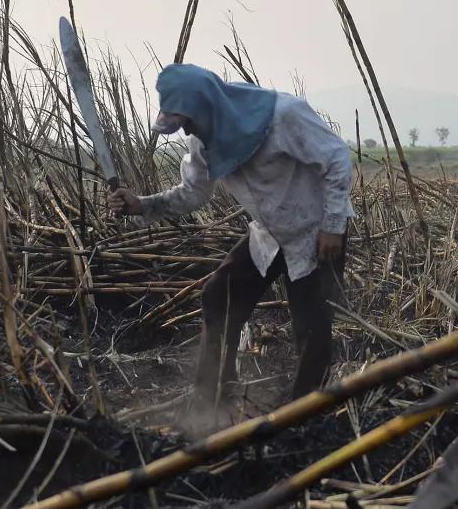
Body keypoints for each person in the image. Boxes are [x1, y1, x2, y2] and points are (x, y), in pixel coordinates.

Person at [108, 64, 354, 415]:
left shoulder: (284, 115)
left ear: (207, 108)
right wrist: (142, 205)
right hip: (269, 235)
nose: (187, 131)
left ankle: (306, 414)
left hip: (315, 233)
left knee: (311, 326)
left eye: (188, 122)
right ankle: (212, 398)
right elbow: (194, 193)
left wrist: (333, 225)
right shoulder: (202, 139)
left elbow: (337, 159)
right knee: (218, 297)